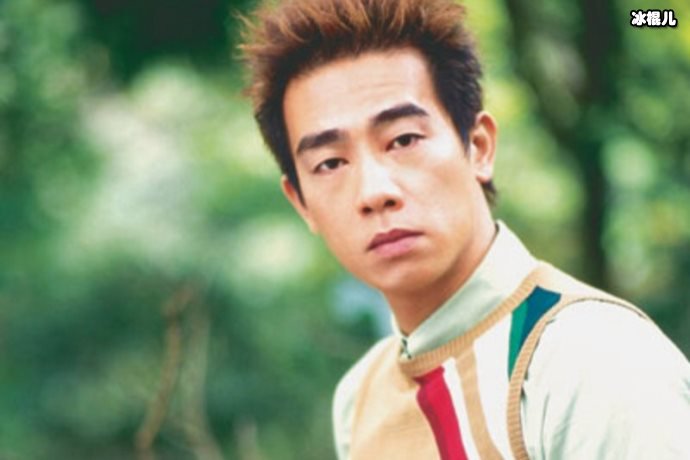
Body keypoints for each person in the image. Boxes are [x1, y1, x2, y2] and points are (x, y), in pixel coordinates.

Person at [240, 0, 690, 458]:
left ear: (478, 147)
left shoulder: (592, 358)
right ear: (301, 203)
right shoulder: (359, 399)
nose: (374, 191)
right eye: (330, 163)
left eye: (403, 139)